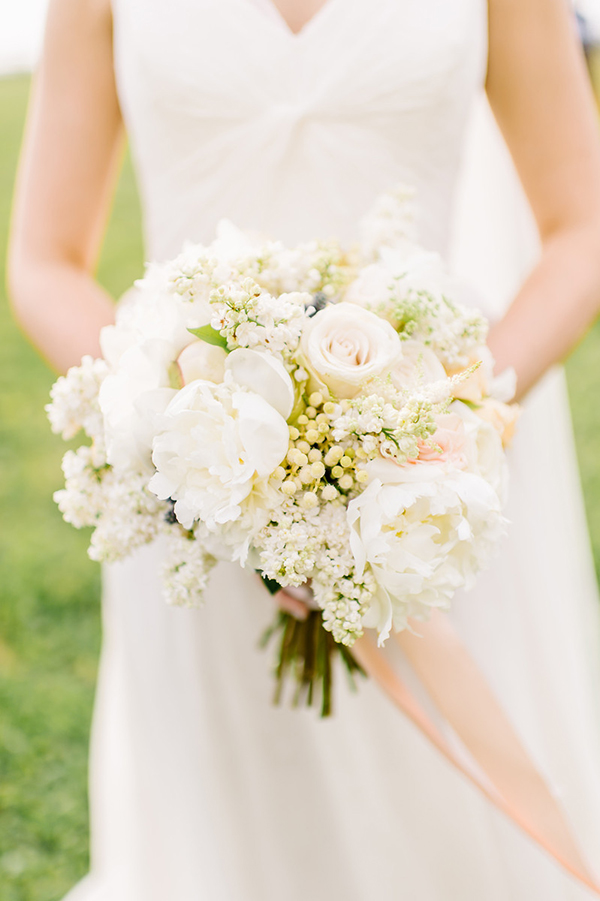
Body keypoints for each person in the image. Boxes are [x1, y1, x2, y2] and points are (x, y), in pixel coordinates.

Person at [8, 0, 600, 897]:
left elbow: (582, 227)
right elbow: (45, 258)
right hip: (199, 511)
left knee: (445, 834)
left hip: (427, 509)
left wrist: (431, 426)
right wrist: (177, 424)